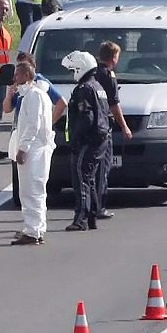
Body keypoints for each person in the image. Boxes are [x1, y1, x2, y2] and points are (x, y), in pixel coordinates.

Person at [63, 51, 111, 232]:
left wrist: (75, 138)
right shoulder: (97, 86)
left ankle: (81, 219)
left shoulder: (84, 89)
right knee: (89, 178)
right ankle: (91, 216)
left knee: (81, 178)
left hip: (89, 140)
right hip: (100, 139)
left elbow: (86, 117)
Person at [12, 61, 55, 245]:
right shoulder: (32, 95)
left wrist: (23, 148)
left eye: (18, 75)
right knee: (33, 191)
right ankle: (35, 228)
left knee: (32, 191)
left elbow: (33, 125)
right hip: (35, 148)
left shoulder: (34, 96)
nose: (15, 78)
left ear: (27, 76)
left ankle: (33, 230)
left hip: (34, 150)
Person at [93, 41, 132, 219]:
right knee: (103, 167)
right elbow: (114, 105)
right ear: (112, 58)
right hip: (104, 127)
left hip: (92, 126)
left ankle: (92, 204)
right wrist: (124, 127)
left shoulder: (92, 73)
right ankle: (99, 206)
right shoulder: (109, 76)